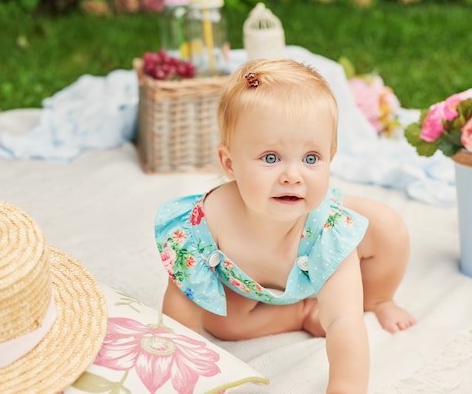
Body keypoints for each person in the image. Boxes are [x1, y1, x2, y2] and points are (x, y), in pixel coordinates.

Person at [155, 59, 415, 394]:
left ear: (330, 158)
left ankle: (380, 299)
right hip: (248, 280)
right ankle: (300, 313)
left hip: (309, 244)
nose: (293, 175)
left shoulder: (330, 231)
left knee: (389, 229)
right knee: (220, 322)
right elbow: (182, 308)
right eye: (270, 158)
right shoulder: (206, 222)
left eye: (311, 159)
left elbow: (343, 321)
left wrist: (345, 387)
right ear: (230, 164)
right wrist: (182, 378)